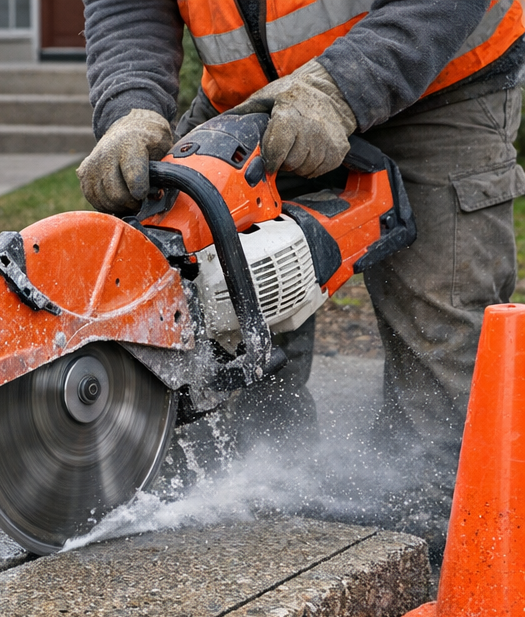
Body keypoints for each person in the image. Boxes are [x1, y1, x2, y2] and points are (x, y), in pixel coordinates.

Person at [78, 0, 525, 553]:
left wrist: (341, 87)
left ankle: (442, 556)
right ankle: (270, 519)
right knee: (210, 316)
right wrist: (129, 105)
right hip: (251, 103)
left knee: (440, 330)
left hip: (440, 78)